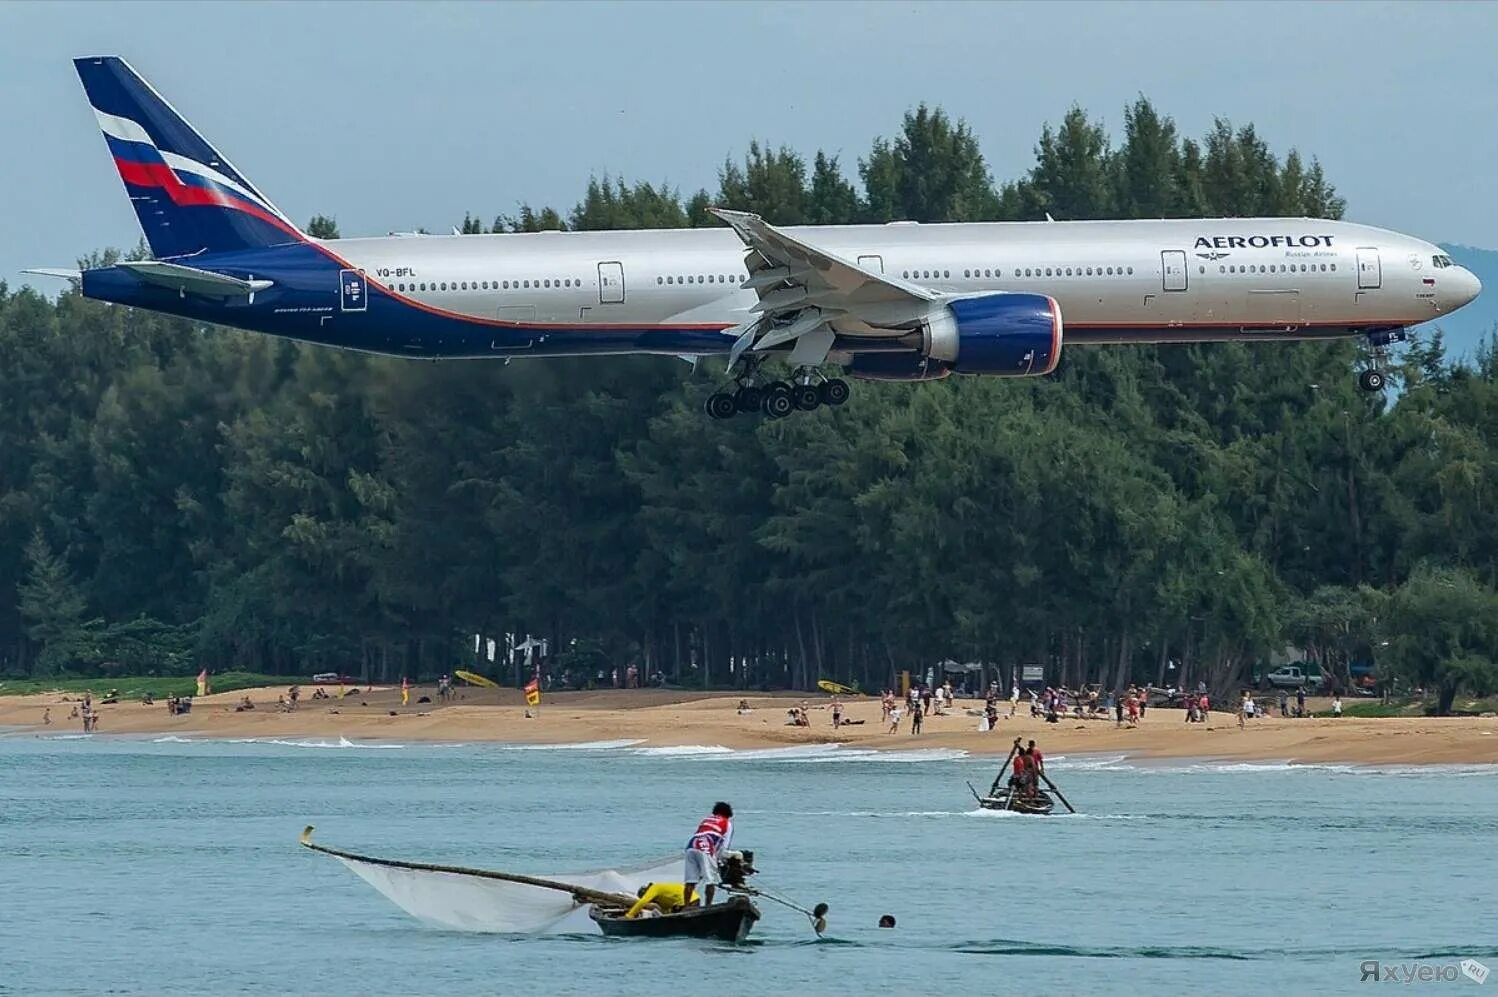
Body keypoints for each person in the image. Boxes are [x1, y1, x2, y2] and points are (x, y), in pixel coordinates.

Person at [684, 802, 733, 908]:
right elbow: (723, 846)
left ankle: (686, 906)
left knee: (690, 881)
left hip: (691, 846)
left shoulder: (706, 819)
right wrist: (720, 861)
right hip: (706, 847)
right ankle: (708, 906)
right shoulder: (726, 823)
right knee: (710, 880)